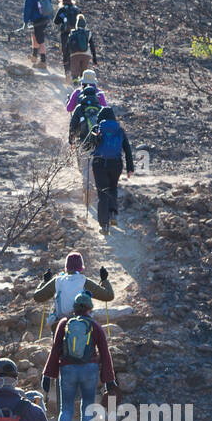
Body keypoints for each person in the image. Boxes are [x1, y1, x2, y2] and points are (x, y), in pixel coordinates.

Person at [42, 292, 117, 421]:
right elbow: (105, 353)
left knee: (66, 409)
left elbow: (55, 351)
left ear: (74, 308)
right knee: (87, 407)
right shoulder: (95, 326)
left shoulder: (64, 323)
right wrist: (109, 380)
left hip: (67, 370)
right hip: (89, 369)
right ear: (89, 308)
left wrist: (48, 375)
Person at [84, 106, 134, 234]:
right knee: (113, 188)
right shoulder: (120, 130)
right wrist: (130, 168)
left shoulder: (96, 129)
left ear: (100, 117)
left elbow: (86, 146)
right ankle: (113, 214)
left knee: (102, 193)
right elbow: (127, 150)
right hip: (116, 164)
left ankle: (104, 225)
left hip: (99, 163)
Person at [32, 251, 114, 325]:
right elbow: (109, 296)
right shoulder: (84, 282)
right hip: (82, 324)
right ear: (81, 267)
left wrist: (45, 282)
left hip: (61, 323)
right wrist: (104, 280)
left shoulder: (57, 281)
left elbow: (37, 297)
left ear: (66, 267)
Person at [22, 0, 52, 67]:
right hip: (46, 17)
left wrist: (25, 22)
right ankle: (34, 56)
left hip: (38, 19)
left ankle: (43, 61)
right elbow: (49, 1)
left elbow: (27, 9)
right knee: (35, 35)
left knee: (40, 39)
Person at [53, 0, 81, 82]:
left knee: (66, 54)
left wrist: (63, 19)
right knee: (75, 54)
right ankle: (75, 77)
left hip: (65, 35)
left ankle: (67, 74)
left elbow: (56, 22)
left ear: (62, 1)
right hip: (76, 35)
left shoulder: (62, 9)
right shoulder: (77, 10)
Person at [68, 82, 106, 146]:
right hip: (98, 141)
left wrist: (71, 140)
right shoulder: (101, 108)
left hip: (83, 140)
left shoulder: (79, 108)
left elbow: (73, 125)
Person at [67, 14, 98, 80]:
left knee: (74, 73)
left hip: (74, 54)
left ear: (77, 24)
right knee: (84, 73)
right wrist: (94, 60)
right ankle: (83, 86)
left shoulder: (72, 32)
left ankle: (75, 85)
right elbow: (92, 46)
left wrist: (67, 58)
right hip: (86, 54)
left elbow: (68, 45)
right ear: (85, 24)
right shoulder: (88, 33)